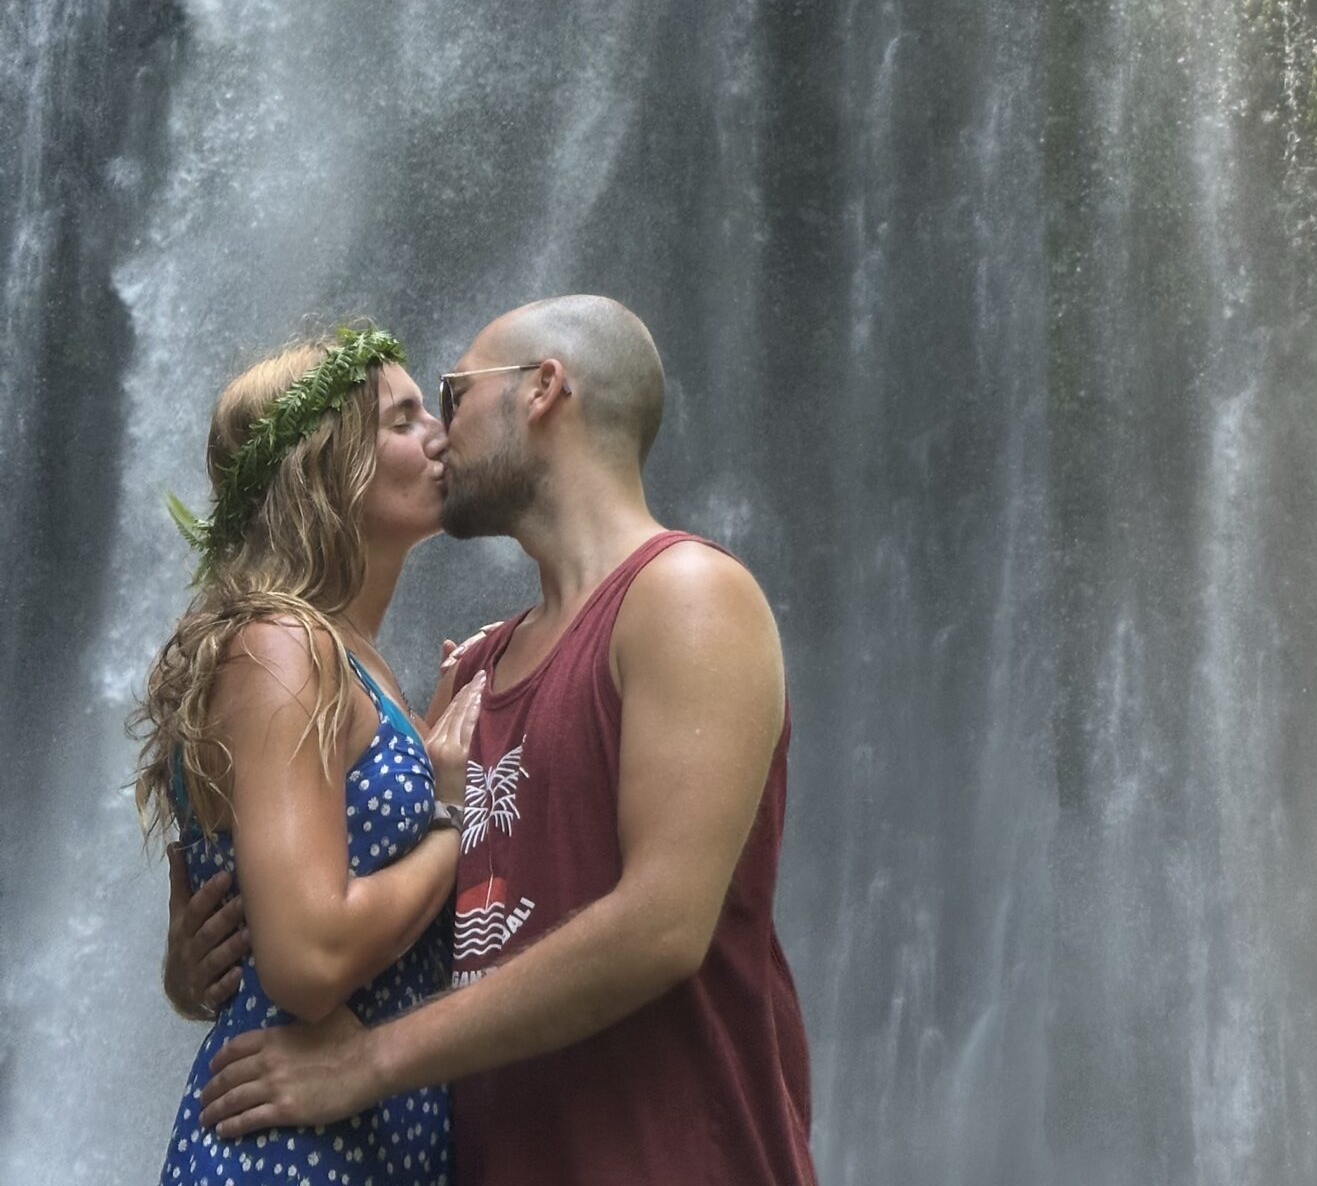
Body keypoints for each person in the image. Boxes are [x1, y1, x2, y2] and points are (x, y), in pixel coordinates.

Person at [191, 294, 817, 1186]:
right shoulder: (474, 670)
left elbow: (662, 927)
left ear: (543, 390)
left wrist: (368, 1062)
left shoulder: (685, 596)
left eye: (450, 394)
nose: (439, 434)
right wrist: (205, 951)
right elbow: (384, 911)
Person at [137, 321, 484, 1186]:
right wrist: (446, 819)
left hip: (355, 1141)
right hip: (290, 1154)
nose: (442, 435)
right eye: (404, 422)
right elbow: (307, 962)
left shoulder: (347, 657)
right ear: (327, 471)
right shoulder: (280, 646)